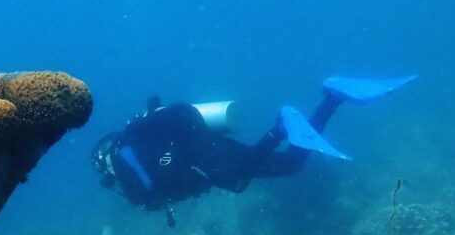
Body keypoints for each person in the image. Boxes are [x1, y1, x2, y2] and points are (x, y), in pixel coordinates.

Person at [92, 75, 416, 226]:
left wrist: (168, 179)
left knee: (238, 175)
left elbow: (155, 185)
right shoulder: (133, 147)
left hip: (201, 156)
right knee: (290, 165)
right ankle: (331, 99)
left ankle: (281, 127)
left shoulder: (124, 162)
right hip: (204, 147)